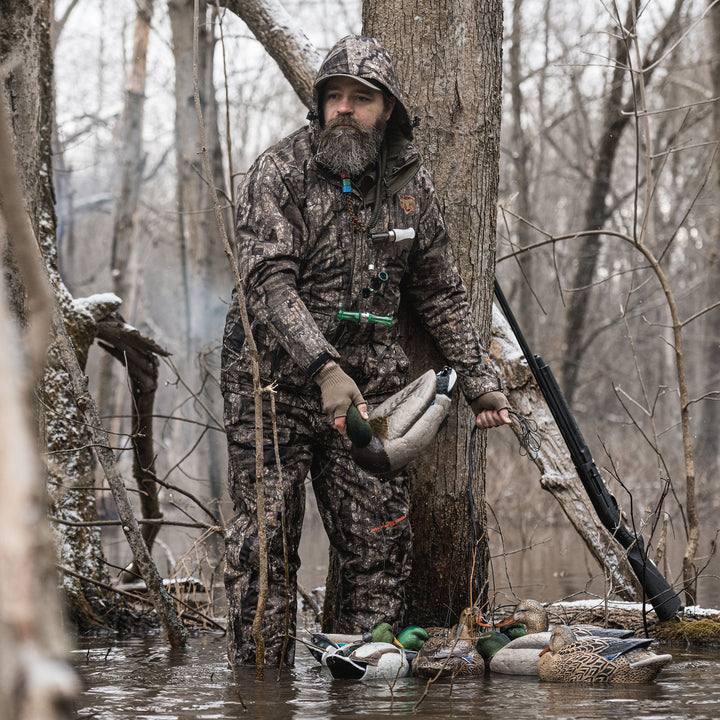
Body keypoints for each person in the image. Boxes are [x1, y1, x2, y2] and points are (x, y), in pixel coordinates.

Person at [221, 34, 511, 668]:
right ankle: (261, 692)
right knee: (264, 547)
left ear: (388, 109)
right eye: (334, 97)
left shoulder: (411, 184)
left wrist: (478, 379)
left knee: (380, 547)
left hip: (368, 395)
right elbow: (268, 282)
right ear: (319, 105)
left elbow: (440, 290)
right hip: (271, 388)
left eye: (361, 98)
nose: (344, 109)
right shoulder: (280, 170)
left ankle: (360, 683)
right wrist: (323, 368)